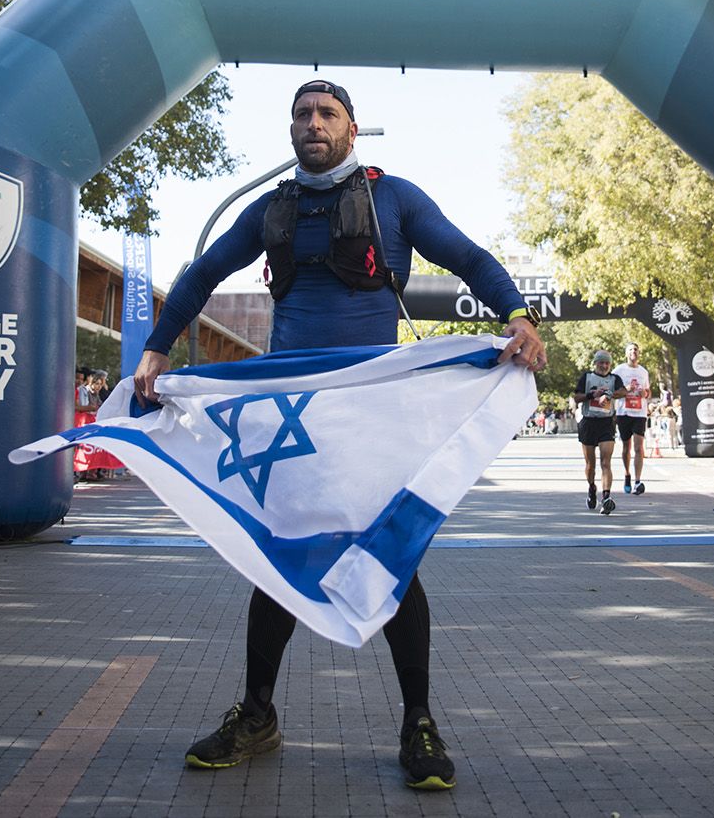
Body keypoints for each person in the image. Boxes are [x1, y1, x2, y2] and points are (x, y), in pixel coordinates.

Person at [134, 78, 545, 792]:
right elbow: (201, 273)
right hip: (294, 411)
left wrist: (516, 313)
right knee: (280, 556)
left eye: (327, 113)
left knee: (392, 560)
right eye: (301, 114)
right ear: (290, 129)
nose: (313, 123)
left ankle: (418, 721)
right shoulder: (270, 210)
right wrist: (158, 345)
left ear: (353, 128)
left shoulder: (397, 198)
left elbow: (471, 258)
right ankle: (258, 714)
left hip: (370, 414)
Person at [577, 351, 623, 513]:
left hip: (606, 423)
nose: (604, 366)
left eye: (607, 363)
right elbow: (576, 397)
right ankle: (591, 488)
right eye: (601, 363)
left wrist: (609, 394)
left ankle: (606, 497)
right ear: (595, 363)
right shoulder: (587, 377)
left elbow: (623, 391)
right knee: (591, 465)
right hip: (588, 422)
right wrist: (591, 395)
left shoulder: (614, 379)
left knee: (606, 462)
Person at [612, 342, 651, 493]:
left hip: (639, 413)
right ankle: (627, 474)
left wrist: (645, 394)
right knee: (626, 447)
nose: (633, 352)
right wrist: (625, 390)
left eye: (635, 349)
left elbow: (648, 391)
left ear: (638, 353)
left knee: (638, 447)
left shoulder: (643, 372)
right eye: (630, 350)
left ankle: (638, 481)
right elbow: (613, 392)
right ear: (626, 354)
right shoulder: (619, 370)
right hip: (624, 412)